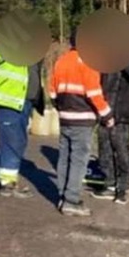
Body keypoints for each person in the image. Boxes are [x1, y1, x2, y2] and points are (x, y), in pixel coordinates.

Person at [49, 28, 112, 216]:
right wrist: (107, 115)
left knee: (64, 157)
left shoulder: (62, 61)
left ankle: (63, 195)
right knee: (79, 160)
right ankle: (72, 199)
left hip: (65, 118)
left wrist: (61, 108)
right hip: (83, 119)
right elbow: (94, 93)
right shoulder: (88, 63)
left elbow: (52, 91)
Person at [0, 36, 45, 199]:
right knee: (11, 142)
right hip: (9, 103)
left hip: (25, 103)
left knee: (19, 141)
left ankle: (10, 180)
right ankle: (7, 184)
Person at [93, 52, 129, 205]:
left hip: (124, 112)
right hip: (106, 110)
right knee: (104, 148)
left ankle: (122, 187)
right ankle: (109, 182)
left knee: (121, 150)